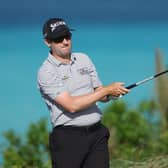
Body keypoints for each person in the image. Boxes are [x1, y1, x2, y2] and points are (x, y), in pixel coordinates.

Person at [37, 18, 129, 168]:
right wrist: (106, 90)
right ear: (48, 42)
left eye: (67, 36)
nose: (65, 42)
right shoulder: (46, 72)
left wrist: (112, 93)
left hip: (97, 133)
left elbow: (99, 93)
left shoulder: (83, 59)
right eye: (59, 39)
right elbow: (72, 105)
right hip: (68, 139)